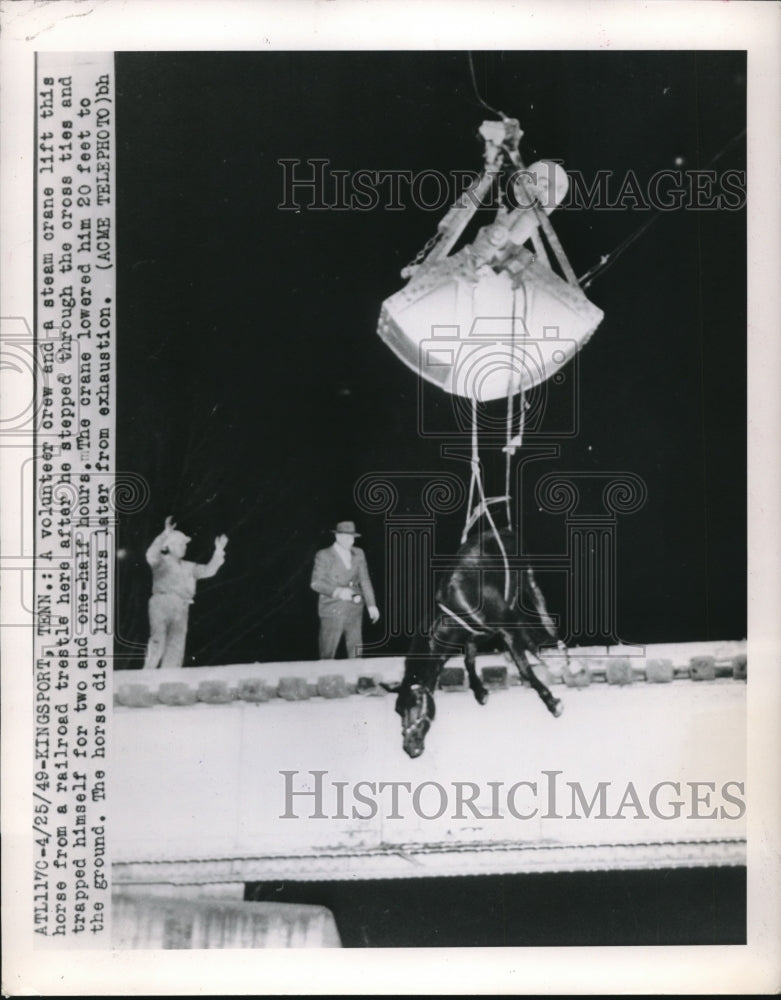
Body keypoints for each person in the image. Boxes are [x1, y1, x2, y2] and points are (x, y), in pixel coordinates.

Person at [143, 516, 228, 669]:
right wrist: (165, 533)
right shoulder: (160, 561)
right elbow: (151, 552)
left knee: (176, 643)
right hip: (162, 601)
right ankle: (148, 670)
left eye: (184, 544)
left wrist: (219, 551)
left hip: (181, 605)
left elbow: (209, 570)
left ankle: (169, 675)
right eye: (180, 544)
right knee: (158, 639)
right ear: (170, 546)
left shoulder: (189, 566)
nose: (184, 547)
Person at [310, 520, 380, 659]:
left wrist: (372, 606)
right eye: (347, 537)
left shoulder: (359, 554)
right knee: (327, 654)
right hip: (332, 609)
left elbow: (365, 581)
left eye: (352, 537)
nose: (350, 541)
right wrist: (339, 592)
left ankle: (357, 680)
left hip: (354, 609)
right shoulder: (323, 555)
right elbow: (316, 583)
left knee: (356, 654)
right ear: (338, 537)